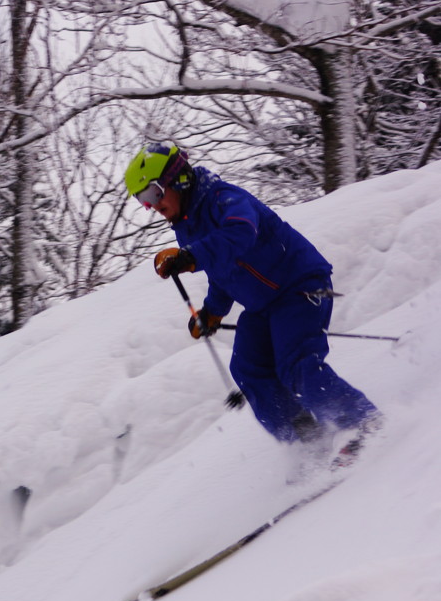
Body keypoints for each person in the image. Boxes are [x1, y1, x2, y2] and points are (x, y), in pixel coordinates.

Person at [124, 141, 382, 466]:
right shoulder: (187, 226)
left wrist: (192, 256)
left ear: (178, 179)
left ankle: (362, 420)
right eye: (142, 200)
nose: (151, 206)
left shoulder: (223, 198)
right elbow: (222, 273)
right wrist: (212, 312)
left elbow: (241, 233)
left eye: (153, 193)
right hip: (263, 305)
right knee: (248, 369)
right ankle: (308, 441)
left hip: (298, 286)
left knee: (296, 365)